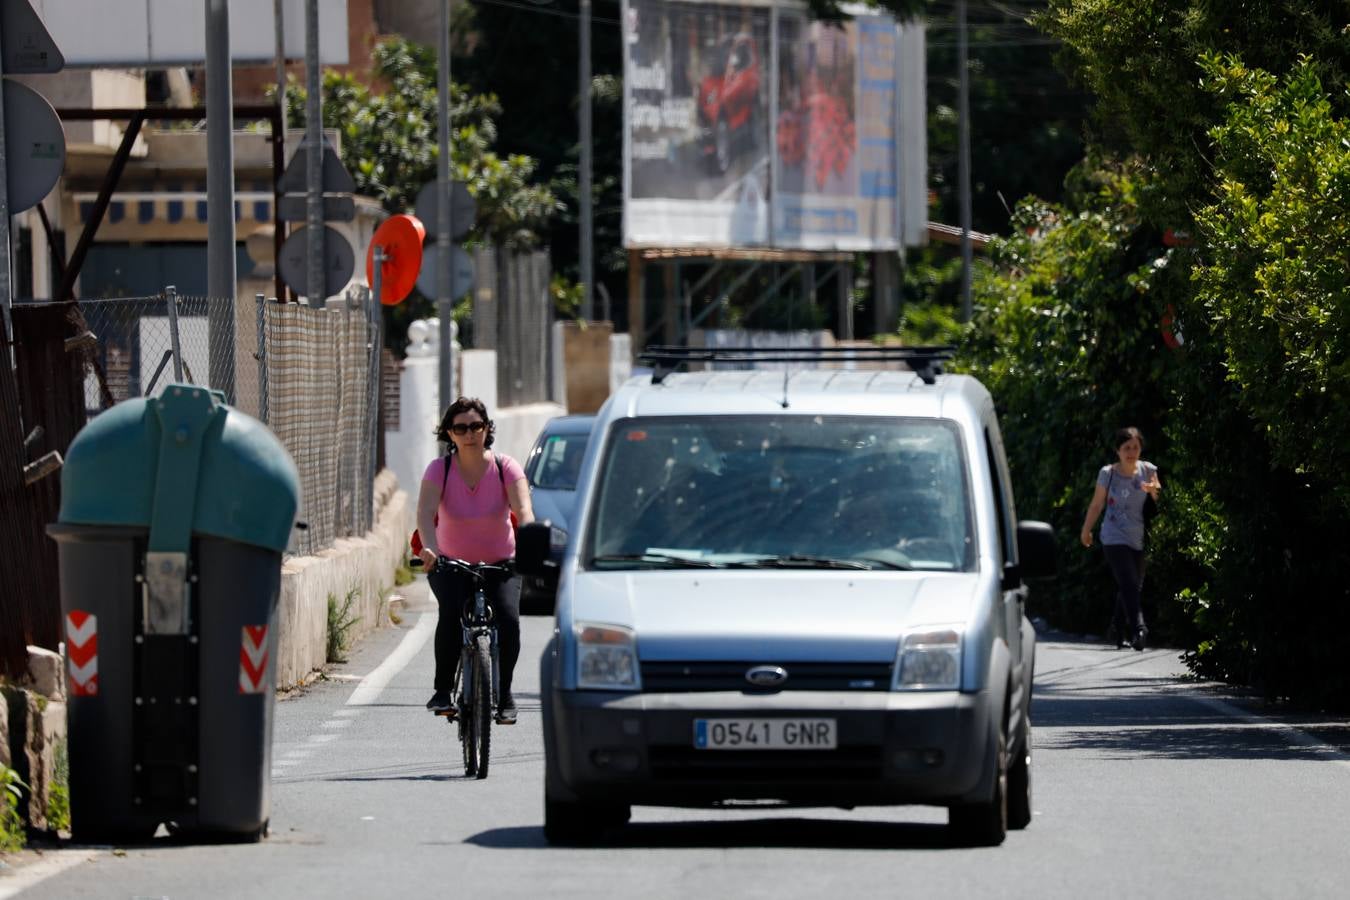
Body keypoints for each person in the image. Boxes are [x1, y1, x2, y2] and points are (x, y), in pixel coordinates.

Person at [416, 397, 534, 722]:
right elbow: (425, 513)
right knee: (451, 614)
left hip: (501, 564)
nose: (469, 433)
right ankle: (442, 690)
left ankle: (505, 694)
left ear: (486, 429)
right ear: (449, 434)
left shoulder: (505, 467)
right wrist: (430, 549)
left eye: (476, 426)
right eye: (460, 428)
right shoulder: (439, 470)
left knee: (508, 621)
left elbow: (523, 511)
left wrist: (528, 546)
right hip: (450, 564)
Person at [1080, 426, 1161, 651]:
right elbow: (1097, 504)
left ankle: (1116, 628)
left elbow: (1158, 493)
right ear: (1118, 450)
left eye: (1135, 447)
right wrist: (1086, 530)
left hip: (1137, 536)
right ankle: (1139, 629)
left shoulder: (1148, 470)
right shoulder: (1108, 473)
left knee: (1133, 585)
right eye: (1127, 448)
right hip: (1113, 536)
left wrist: (1152, 489)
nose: (1131, 452)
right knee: (1128, 582)